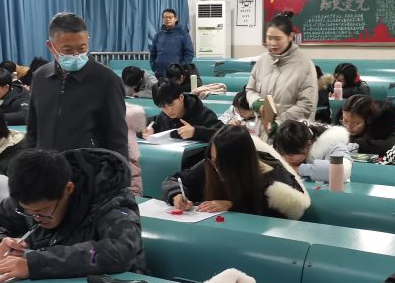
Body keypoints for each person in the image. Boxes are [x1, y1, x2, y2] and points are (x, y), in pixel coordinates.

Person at [0, 148, 146, 282]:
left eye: (42, 211)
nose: (36, 218)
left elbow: (120, 251)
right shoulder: (29, 195)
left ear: (68, 189)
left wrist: (36, 263)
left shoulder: (111, 200)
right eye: (27, 212)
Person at [24, 13, 129, 161]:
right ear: (51, 46)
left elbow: (117, 138)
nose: (76, 55)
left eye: (82, 48)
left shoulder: (107, 80)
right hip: (46, 169)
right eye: (67, 50)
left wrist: (118, 171)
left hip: (88, 170)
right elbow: (32, 131)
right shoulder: (40, 77)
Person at [161, 125, 310, 219]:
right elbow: (174, 180)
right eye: (214, 160)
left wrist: (234, 206)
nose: (217, 169)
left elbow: (275, 219)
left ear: (241, 162)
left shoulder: (275, 181)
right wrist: (176, 195)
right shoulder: (212, 164)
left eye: (223, 165)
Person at [245, 11, 318, 139]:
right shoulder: (263, 61)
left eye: (278, 39)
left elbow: (306, 105)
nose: (272, 43)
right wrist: (256, 101)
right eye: (269, 38)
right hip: (262, 131)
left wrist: (280, 123)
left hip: (291, 135)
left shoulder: (304, 64)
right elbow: (250, 89)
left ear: (290, 36)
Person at [272, 119, 352, 183]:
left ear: (308, 144)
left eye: (290, 155)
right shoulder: (285, 142)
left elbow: (341, 171)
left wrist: (298, 169)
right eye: (281, 154)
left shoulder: (334, 143)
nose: (285, 159)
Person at [143, 79, 221, 142]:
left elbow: (222, 135)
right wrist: (148, 131)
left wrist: (195, 131)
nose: (169, 111)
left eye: (171, 104)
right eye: (163, 107)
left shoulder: (203, 113)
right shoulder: (163, 117)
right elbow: (144, 124)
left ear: (181, 97)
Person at [149, 8, 194, 79]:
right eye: (165, 17)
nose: (167, 19)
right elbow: (153, 54)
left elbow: (189, 54)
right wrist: (154, 66)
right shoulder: (158, 35)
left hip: (176, 74)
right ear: (162, 19)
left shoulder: (183, 34)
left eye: (170, 17)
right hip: (160, 74)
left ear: (175, 19)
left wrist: (180, 68)